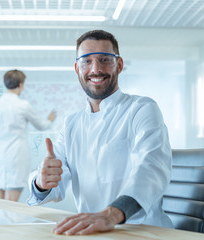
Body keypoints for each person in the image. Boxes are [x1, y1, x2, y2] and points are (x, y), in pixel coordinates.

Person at [27, 30, 173, 235]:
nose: (95, 69)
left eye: (105, 59)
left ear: (119, 65)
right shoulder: (72, 123)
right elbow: (55, 184)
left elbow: (150, 170)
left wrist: (112, 214)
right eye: (86, 61)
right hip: (92, 232)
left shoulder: (141, 109)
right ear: (77, 68)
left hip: (142, 231)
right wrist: (41, 182)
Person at [0, 70, 56, 201]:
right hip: (17, 154)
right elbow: (42, 125)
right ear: (21, 85)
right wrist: (50, 119)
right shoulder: (23, 105)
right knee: (11, 205)